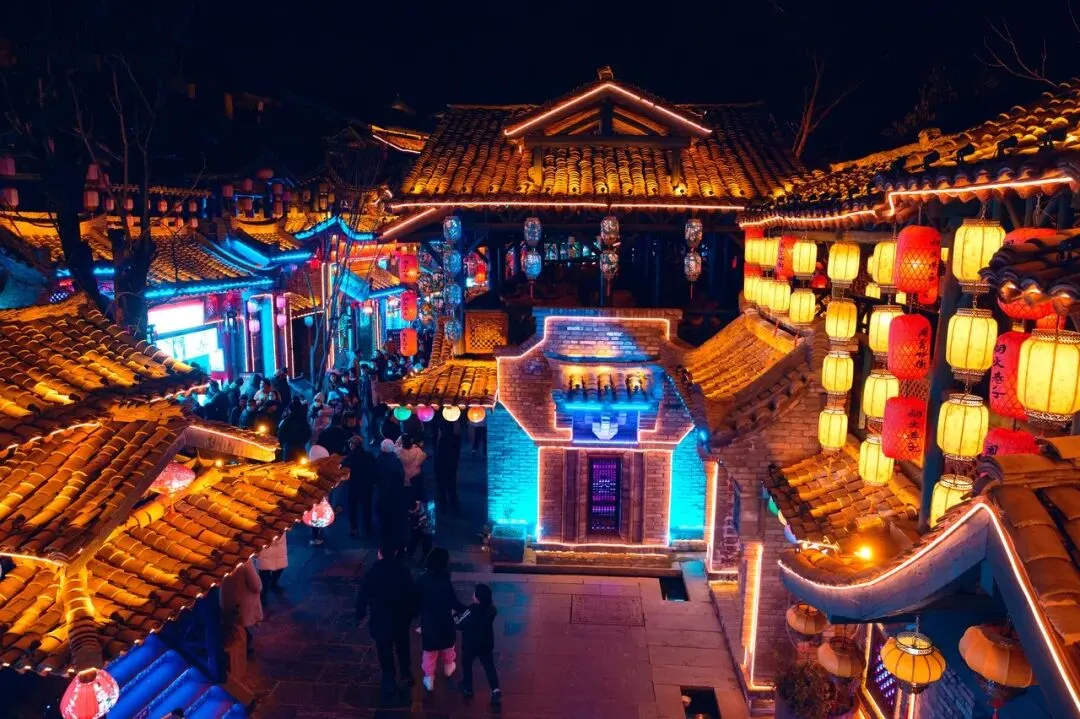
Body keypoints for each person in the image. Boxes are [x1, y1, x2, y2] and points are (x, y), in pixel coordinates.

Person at [356, 542, 416, 696]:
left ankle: (389, 677)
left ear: (379, 553)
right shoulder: (403, 571)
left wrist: (360, 614)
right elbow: (411, 593)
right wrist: (413, 612)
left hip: (380, 618)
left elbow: (363, 596)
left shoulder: (372, 573)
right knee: (402, 646)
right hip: (400, 617)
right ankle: (405, 672)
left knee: (384, 649)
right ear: (395, 552)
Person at [414, 548, 465, 692]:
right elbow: (453, 601)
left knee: (429, 652)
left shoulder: (422, 580)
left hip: (429, 623)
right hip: (445, 622)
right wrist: (466, 610)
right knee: (448, 647)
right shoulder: (444, 580)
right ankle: (449, 667)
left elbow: (415, 601)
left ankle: (429, 677)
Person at [455, 583, 501, 704]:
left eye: (475, 594)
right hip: (486, 643)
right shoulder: (491, 610)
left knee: (467, 664)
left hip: (471, 644)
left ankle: (468, 687)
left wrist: (454, 615)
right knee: (489, 666)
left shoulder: (472, 610)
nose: (473, 595)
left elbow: (459, 624)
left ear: (478, 598)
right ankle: (495, 689)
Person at [221, 559, 263, 654]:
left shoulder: (223, 559)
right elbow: (257, 586)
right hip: (244, 603)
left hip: (229, 599)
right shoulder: (245, 563)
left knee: (234, 625)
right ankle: (244, 651)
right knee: (243, 631)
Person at [375, 439, 408, 554]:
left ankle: (384, 540)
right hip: (395, 496)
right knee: (395, 520)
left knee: (384, 520)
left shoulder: (378, 460)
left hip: (383, 495)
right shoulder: (395, 461)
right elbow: (401, 476)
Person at [342, 435, 376, 538]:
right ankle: (367, 529)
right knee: (367, 508)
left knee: (353, 508)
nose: (349, 445)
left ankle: (354, 529)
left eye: (351, 443)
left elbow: (344, 470)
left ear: (354, 445)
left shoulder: (350, 458)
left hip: (354, 487)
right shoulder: (370, 456)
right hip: (367, 487)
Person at [435, 420, 461, 511]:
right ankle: (453, 504)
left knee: (441, 484)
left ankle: (443, 504)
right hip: (452, 464)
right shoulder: (456, 439)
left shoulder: (441, 441)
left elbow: (438, 455)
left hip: (441, 464)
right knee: (451, 484)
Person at [256, 534, 288, 600]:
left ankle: (273, 584)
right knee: (265, 571)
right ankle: (263, 594)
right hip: (265, 540)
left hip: (279, 542)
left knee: (280, 566)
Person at [407, 494, 434, 564]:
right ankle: (410, 555)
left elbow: (429, 520)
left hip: (426, 523)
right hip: (418, 520)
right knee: (413, 538)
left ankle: (425, 558)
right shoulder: (410, 503)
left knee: (427, 538)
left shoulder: (428, 505)